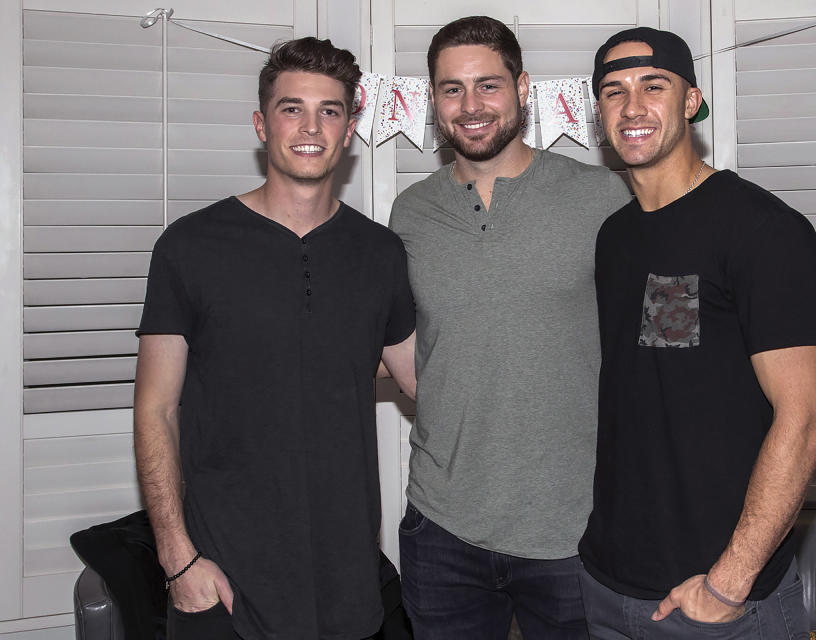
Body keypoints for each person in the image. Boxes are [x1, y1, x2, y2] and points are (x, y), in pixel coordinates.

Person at [133, 37, 416, 640]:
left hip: (347, 580)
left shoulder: (379, 252)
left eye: (330, 110)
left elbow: (420, 374)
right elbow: (154, 409)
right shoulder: (189, 247)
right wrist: (176, 557)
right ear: (262, 124)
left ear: (349, 128)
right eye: (292, 108)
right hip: (224, 580)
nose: (310, 126)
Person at [577, 26, 816, 640]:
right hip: (607, 583)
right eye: (614, 92)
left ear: (691, 102)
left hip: (715, 601)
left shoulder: (762, 230)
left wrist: (726, 585)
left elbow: (805, 422)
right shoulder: (615, 237)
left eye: (653, 86)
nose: (632, 107)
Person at [387, 15, 632, 640]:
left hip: (574, 532)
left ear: (523, 88)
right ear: (434, 100)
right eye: (451, 89)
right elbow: (411, 350)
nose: (470, 107)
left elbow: (656, 348)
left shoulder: (602, 198)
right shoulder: (409, 213)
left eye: (488, 85)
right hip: (442, 528)